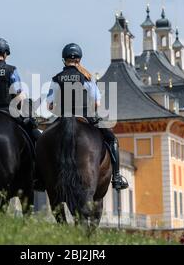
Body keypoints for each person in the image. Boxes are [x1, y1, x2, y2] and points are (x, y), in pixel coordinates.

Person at [46, 43, 129, 190]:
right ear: (79, 59)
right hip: (85, 116)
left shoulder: (56, 79)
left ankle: (39, 176)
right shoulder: (87, 77)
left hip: (62, 117)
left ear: (64, 60)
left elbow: (50, 106)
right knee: (112, 139)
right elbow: (96, 104)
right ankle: (116, 177)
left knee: (42, 140)